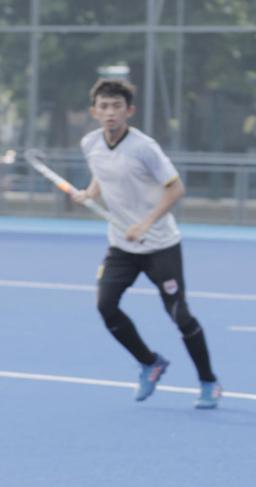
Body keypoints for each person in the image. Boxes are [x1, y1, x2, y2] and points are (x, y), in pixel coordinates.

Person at [72, 79, 221, 409]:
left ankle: (208, 381)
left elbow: (176, 189)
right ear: (94, 111)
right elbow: (102, 172)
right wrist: (90, 193)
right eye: (104, 106)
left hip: (160, 245)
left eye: (117, 106)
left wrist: (145, 224)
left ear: (130, 111)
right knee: (105, 306)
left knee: (180, 316)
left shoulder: (144, 147)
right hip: (121, 247)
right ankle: (150, 362)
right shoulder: (90, 143)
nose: (110, 113)